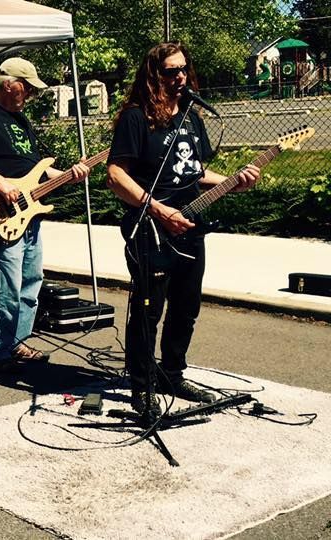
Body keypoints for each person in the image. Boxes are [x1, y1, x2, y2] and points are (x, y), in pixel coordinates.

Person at [106, 42, 260, 416]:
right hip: (151, 228)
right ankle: (141, 387)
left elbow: (195, 171)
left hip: (191, 226)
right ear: (154, 75)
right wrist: (158, 210)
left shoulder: (192, 117)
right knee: (148, 309)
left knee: (186, 307)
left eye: (183, 70)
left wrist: (233, 181)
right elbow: (115, 174)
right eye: (171, 71)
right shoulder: (137, 117)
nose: (179, 78)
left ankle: (172, 373)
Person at [0, 58, 90, 371]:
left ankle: (16, 342)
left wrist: (69, 174)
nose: (29, 95)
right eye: (26, 88)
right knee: (5, 286)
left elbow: (36, 172)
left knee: (31, 282)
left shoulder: (22, 121)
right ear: (9, 83)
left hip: (29, 217)